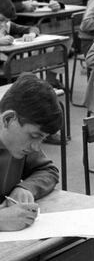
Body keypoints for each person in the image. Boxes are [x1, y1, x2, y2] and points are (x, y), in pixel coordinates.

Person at [0, 73, 62, 231]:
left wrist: (26, 188)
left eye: (42, 139)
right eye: (34, 136)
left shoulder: (19, 145)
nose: (36, 147)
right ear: (8, 119)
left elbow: (48, 171)